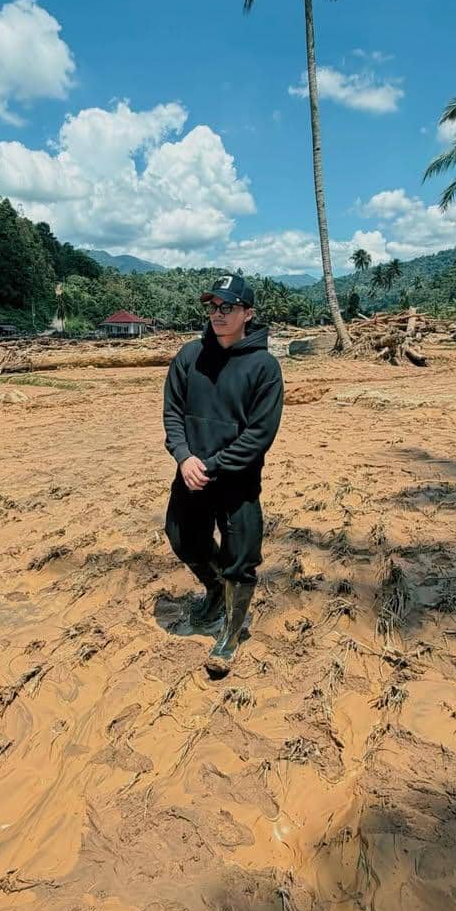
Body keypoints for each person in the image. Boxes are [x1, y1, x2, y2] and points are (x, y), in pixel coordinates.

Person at [162, 274, 284, 675]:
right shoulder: (189, 356)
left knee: (240, 560)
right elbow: (173, 414)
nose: (218, 314)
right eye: (212, 307)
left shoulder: (264, 367)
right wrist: (183, 457)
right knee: (183, 539)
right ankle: (214, 589)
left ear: (248, 313)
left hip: (237, 482)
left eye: (227, 307)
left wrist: (211, 465)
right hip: (190, 475)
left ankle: (230, 633)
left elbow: (259, 435)